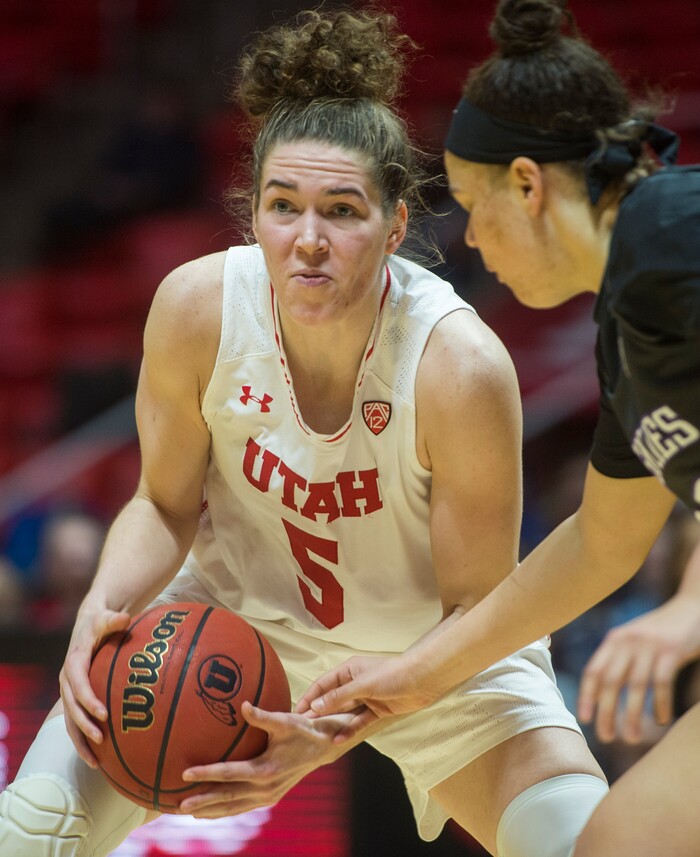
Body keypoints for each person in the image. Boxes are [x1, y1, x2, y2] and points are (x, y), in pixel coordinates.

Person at [0, 8, 607, 857]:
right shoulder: (195, 309)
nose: (309, 242)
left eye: (343, 211)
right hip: (235, 625)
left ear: (397, 228)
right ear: (253, 215)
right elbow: (162, 503)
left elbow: (477, 608)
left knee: (584, 840)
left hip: (432, 655)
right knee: (33, 830)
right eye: (284, 206)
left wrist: (325, 732)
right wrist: (104, 604)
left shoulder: (458, 365)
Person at [297, 2, 700, 855]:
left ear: (527, 182)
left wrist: (690, 606)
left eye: (477, 206)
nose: (473, 240)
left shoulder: (672, 231)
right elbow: (598, 542)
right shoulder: (629, 327)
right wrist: (416, 675)